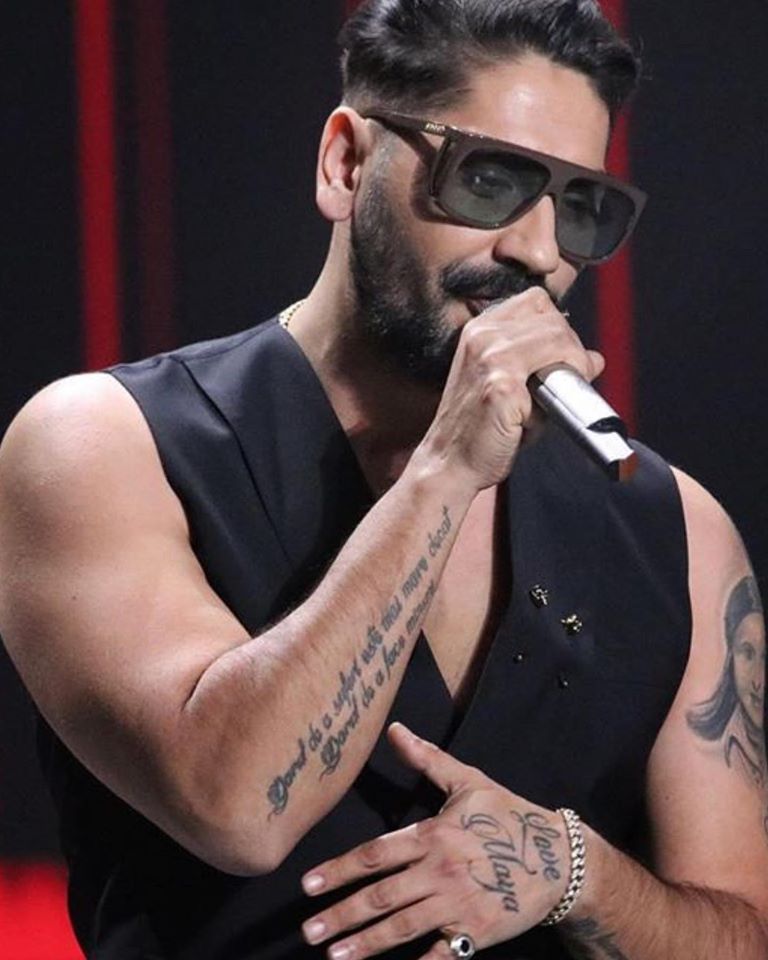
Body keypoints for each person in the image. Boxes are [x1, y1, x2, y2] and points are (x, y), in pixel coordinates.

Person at [0, 1, 766, 957]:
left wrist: (574, 871)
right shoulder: (105, 445)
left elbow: (744, 932)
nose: (538, 252)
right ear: (346, 163)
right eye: (490, 179)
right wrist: (445, 471)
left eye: (580, 207)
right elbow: (234, 807)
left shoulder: (674, 530)